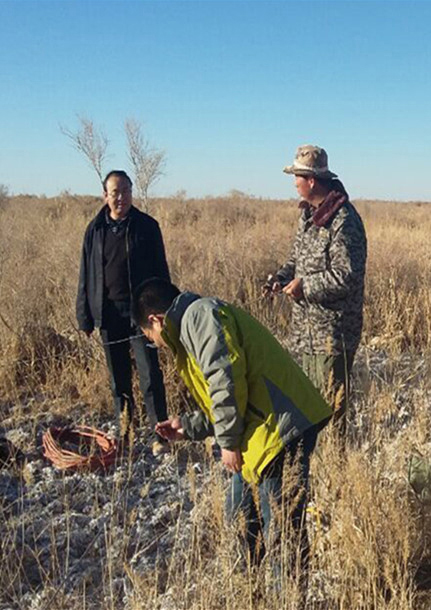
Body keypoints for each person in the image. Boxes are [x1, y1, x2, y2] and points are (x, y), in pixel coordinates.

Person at [133, 278, 333, 575]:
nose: (155, 344)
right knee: (240, 517)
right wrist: (187, 427)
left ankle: (286, 593)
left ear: (155, 320)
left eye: (149, 336)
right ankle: (252, 590)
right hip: (258, 435)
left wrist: (227, 442)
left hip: (280, 430)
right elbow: (226, 398)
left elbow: (226, 381)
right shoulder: (192, 326)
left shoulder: (200, 316)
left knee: (282, 534)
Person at [265, 145, 367, 435]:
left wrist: (305, 286)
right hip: (306, 334)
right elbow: (297, 259)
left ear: (311, 181)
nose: (294, 183)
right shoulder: (308, 215)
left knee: (331, 409)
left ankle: (335, 455)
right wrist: (281, 278)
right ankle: (316, 454)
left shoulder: (344, 220)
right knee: (309, 406)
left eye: (297, 177)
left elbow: (347, 276)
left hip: (332, 336)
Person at [76, 170, 170, 444]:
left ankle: (160, 435)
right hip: (109, 313)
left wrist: (165, 309)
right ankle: (126, 432)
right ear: (105, 195)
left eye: (126, 191)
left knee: (150, 374)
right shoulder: (95, 230)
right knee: (118, 378)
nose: (121, 197)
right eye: (115, 192)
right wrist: (85, 316)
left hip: (143, 313)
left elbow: (161, 271)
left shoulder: (147, 226)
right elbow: (86, 274)